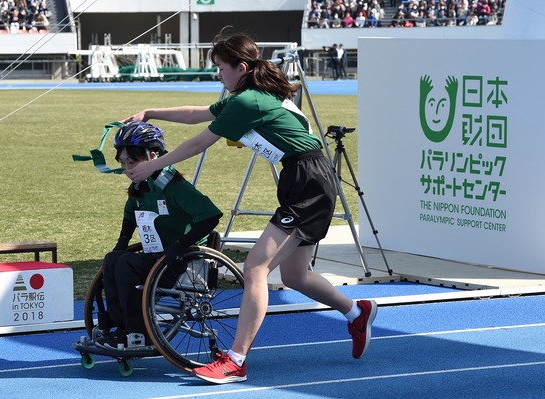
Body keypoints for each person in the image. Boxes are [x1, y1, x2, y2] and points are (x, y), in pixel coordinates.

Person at [120, 30, 377, 384]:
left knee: (255, 266)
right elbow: (199, 114)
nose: (218, 76)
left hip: (308, 181)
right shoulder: (245, 95)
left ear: (240, 68)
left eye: (221, 69)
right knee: (294, 275)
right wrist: (151, 112)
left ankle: (235, 360)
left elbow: (200, 142)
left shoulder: (248, 101)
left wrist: (153, 164)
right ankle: (356, 312)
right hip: (304, 178)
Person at [95, 121, 223, 349]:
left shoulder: (174, 186)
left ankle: (136, 331)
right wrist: (121, 242)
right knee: (112, 259)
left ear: (153, 155)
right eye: (123, 163)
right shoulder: (140, 187)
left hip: (182, 262)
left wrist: (181, 245)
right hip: (158, 258)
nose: (127, 170)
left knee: (126, 263)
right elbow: (130, 214)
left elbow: (211, 216)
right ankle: (117, 324)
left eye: (132, 162)